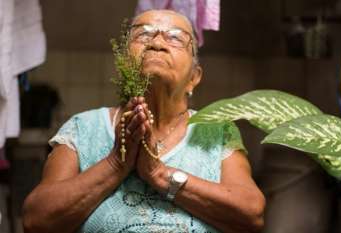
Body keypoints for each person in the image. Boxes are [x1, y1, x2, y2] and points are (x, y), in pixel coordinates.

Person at [22, 9, 265, 233]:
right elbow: (36, 220)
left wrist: (159, 174)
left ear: (194, 77)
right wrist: (116, 163)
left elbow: (252, 215)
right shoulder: (83, 128)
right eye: (143, 35)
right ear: (124, 64)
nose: (157, 43)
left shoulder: (218, 132)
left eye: (176, 38)